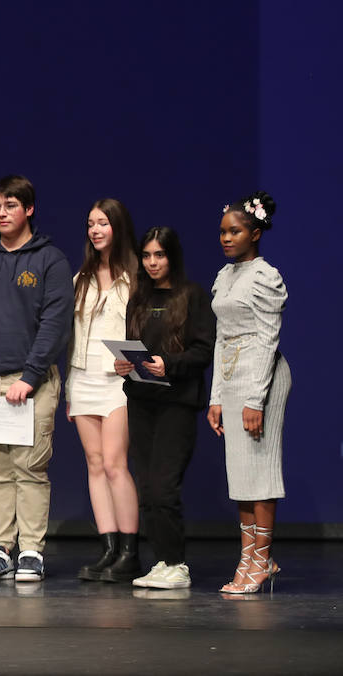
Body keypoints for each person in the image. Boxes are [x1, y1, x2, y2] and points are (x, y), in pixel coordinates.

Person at [0, 175, 73, 583]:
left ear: (29, 209)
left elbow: (55, 323)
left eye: (10, 206)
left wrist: (31, 374)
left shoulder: (50, 259)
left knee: (29, 468)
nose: (2, 214)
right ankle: (0, 547)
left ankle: (32, 551)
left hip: (31, 384)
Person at [115, 227, 215, 590]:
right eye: (147, 256)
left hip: (177, 403)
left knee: (163, 486)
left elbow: (203, 352)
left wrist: (167, 364)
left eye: (160, 255)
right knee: (146, 486)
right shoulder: (138, 298)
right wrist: (124, 365)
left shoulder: (192, 296)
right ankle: (162, 560)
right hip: (142, 401)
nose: (153, 262)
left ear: (172, 257)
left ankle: (177, 563)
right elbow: (133, 346)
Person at [208, 192, 290, 595]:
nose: (226, 238)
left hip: (262, 376)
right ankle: (252, 556)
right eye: (223, 231)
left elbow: (267, 338)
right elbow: (223, 338)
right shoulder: (225, 277)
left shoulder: (264, 276)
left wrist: (255, 399)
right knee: (239, 473)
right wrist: (216, 397)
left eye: (235, 231)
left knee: (259, 468)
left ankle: (261, 557)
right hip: (233, 373)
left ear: (255, 233)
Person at [67, 198, 142, 582]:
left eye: (103, 223)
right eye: (91, 224)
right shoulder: (80, 279)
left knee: (115, 463)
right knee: (95, 464)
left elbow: (147, 330)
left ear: (118, 226)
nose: (95, 230)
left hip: (119, 383)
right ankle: (108, 548)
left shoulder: (135, 276)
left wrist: (136, 359)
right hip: (82, 379)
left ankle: (130, 550)